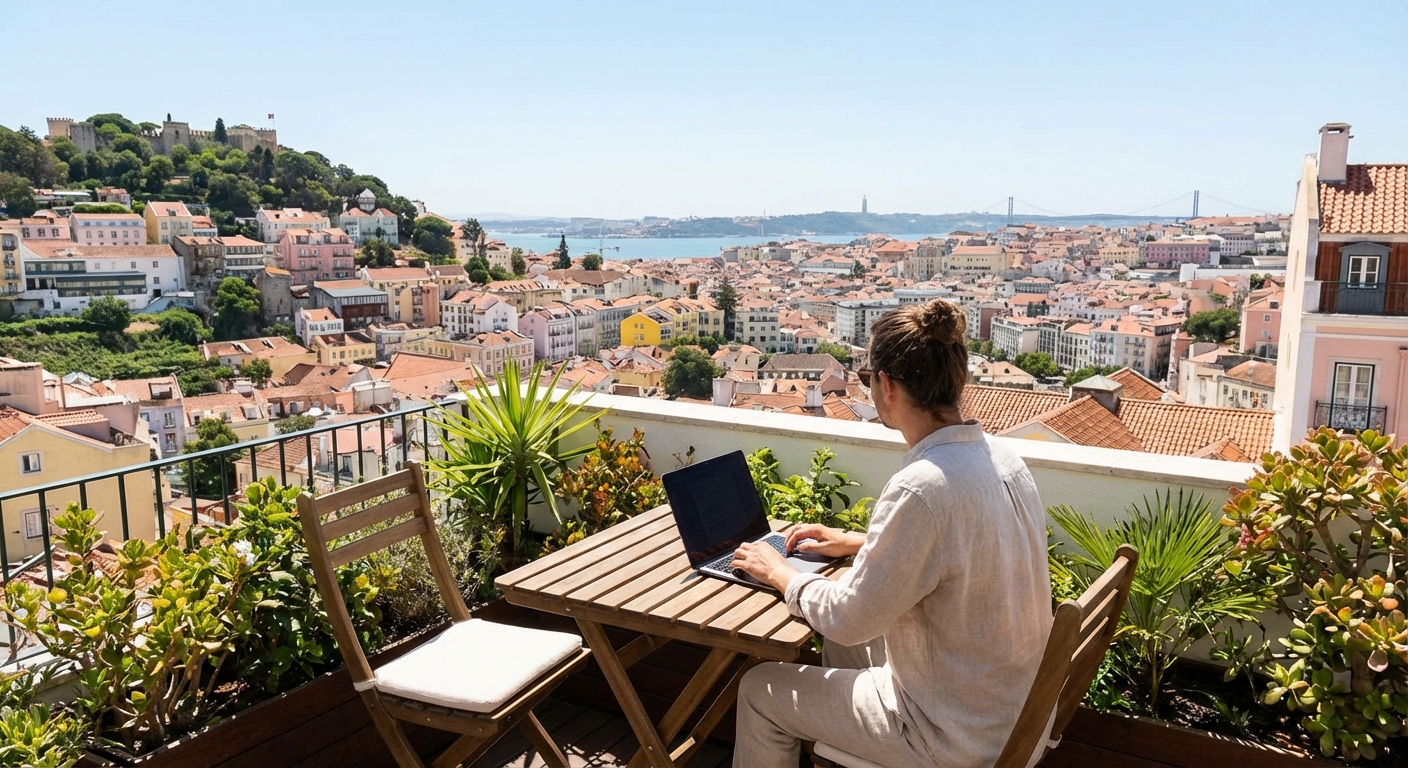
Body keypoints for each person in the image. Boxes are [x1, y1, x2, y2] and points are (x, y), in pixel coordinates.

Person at [729, 299, 1052, 767]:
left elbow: (850, 617)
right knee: (844, 640)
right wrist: (860, 542)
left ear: (886, 385)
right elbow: (971, 546)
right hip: (1011, 712)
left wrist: (780, 572)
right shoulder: (1003, 460)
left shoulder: (923, 487)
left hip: (953, 736)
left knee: (761, 689)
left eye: (866, 380)